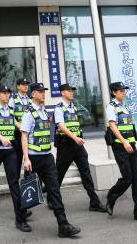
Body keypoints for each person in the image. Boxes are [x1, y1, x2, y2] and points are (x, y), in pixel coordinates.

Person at [21, 82, 82, 238]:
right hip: (33, 159)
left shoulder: (44, 112)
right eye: (40, 92)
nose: (43, 94)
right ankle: (20, 218)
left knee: (54, 190)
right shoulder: (28, 112)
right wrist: (26, 158)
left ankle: (63, 225)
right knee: (29, 190)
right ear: (33, 94)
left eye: (44, 91)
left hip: (48, 157)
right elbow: (24, 136)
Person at [0, 85, 32, 232]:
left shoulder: (10, 110)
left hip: (10, 151)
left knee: (14, 182)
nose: (7, 95)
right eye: (4, 93)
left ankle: (20, 217)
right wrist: (2, 138)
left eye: (8, 93)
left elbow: (17, 124)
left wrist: (26, 129)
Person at [104, 81, 137, 222]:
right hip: (120, 147)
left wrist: (130, 142)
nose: (123, 93)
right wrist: (124, 142)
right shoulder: (111, 107)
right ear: (114, 92)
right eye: (120, 91)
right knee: (127, 178)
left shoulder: (124, 107)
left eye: (124, 91)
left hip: (131, 146)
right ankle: (111, 197)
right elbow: (113, 127)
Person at [54, 83, 106, 213]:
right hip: (66, 145)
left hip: (78, 146)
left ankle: (94, 202)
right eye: (69, 90)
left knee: (86, 173)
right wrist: (74, 138)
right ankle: (51, 197)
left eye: (72, 90)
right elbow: (61, 126)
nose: (71, 92)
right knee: (59, 174)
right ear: (62, 93)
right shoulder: (59, 108)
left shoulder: (74, 107)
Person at [10, 77, 31, 177]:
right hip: (18, 133)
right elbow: (10, 115)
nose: (25, 86)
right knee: (18, 158)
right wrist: (19, 126)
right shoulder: (13, 99)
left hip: (29, 133)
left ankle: (28, 181)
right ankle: (16, 180)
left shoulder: (30, 99)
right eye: (23, 84)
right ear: (18, 86)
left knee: (29, 156)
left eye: (26, 84)